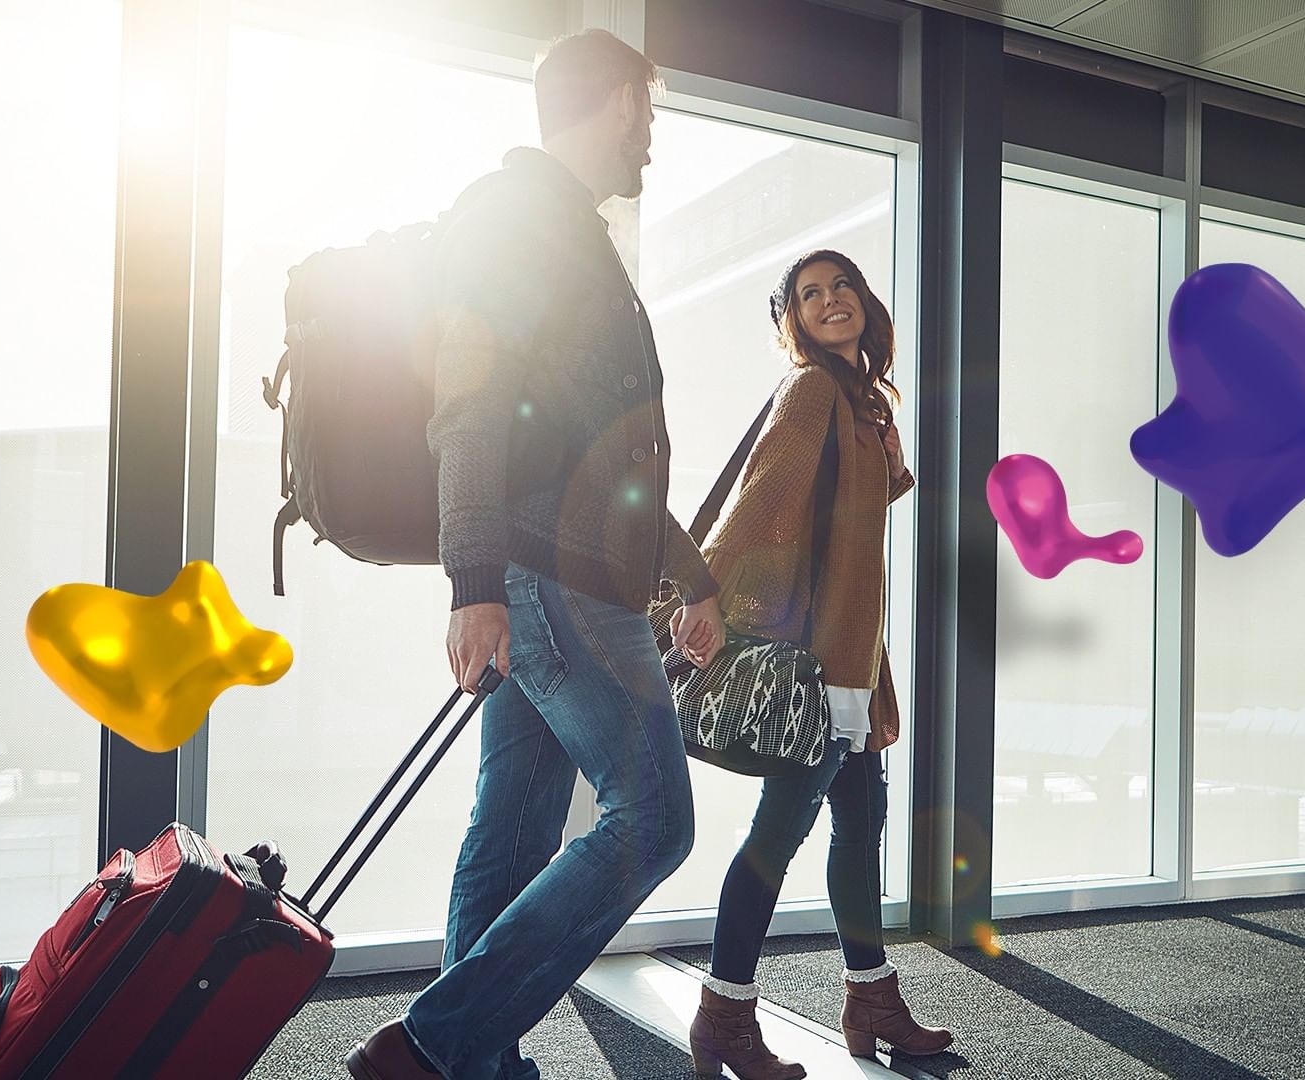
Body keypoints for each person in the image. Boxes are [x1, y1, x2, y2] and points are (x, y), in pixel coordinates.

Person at [345, 29, 726, 1080]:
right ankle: (431, 1047)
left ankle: (472, 1065)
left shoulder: (571, 232)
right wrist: (475, 584)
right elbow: (468, 408)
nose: (652, 137)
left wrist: (688, 574)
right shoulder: (517, 220)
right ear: (612, 103)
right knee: (652, 819)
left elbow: (606, 450)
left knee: (513, 830)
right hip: (551, 578)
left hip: (568, 569)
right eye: (647, 111)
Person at [685, 250, 952, 1079]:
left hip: (851, 656)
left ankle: (870, 996)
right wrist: (699, 590)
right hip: (813, 665)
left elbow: (857, 516)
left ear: (864, 304)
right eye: (810, 295)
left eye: (841, 287)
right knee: (777, 836)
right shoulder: (810, 392)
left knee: (859, 827)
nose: (830, 300)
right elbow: (760, 495)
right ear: (792, 322)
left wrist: (878, 428)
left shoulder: (859, 401)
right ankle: (723, 1016)